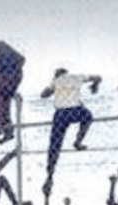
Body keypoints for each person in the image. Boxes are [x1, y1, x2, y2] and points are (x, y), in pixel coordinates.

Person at [41, 68, 101, 196]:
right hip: (74, 110)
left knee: (54, 145)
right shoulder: (77, 76)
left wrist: (54, 88)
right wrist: (95, 86)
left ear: (56, 75)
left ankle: (50, 176)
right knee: (88, 117)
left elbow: (43, 94)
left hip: (60, 114)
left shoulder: (56, 81)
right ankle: (78, 141)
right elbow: (98, 77)